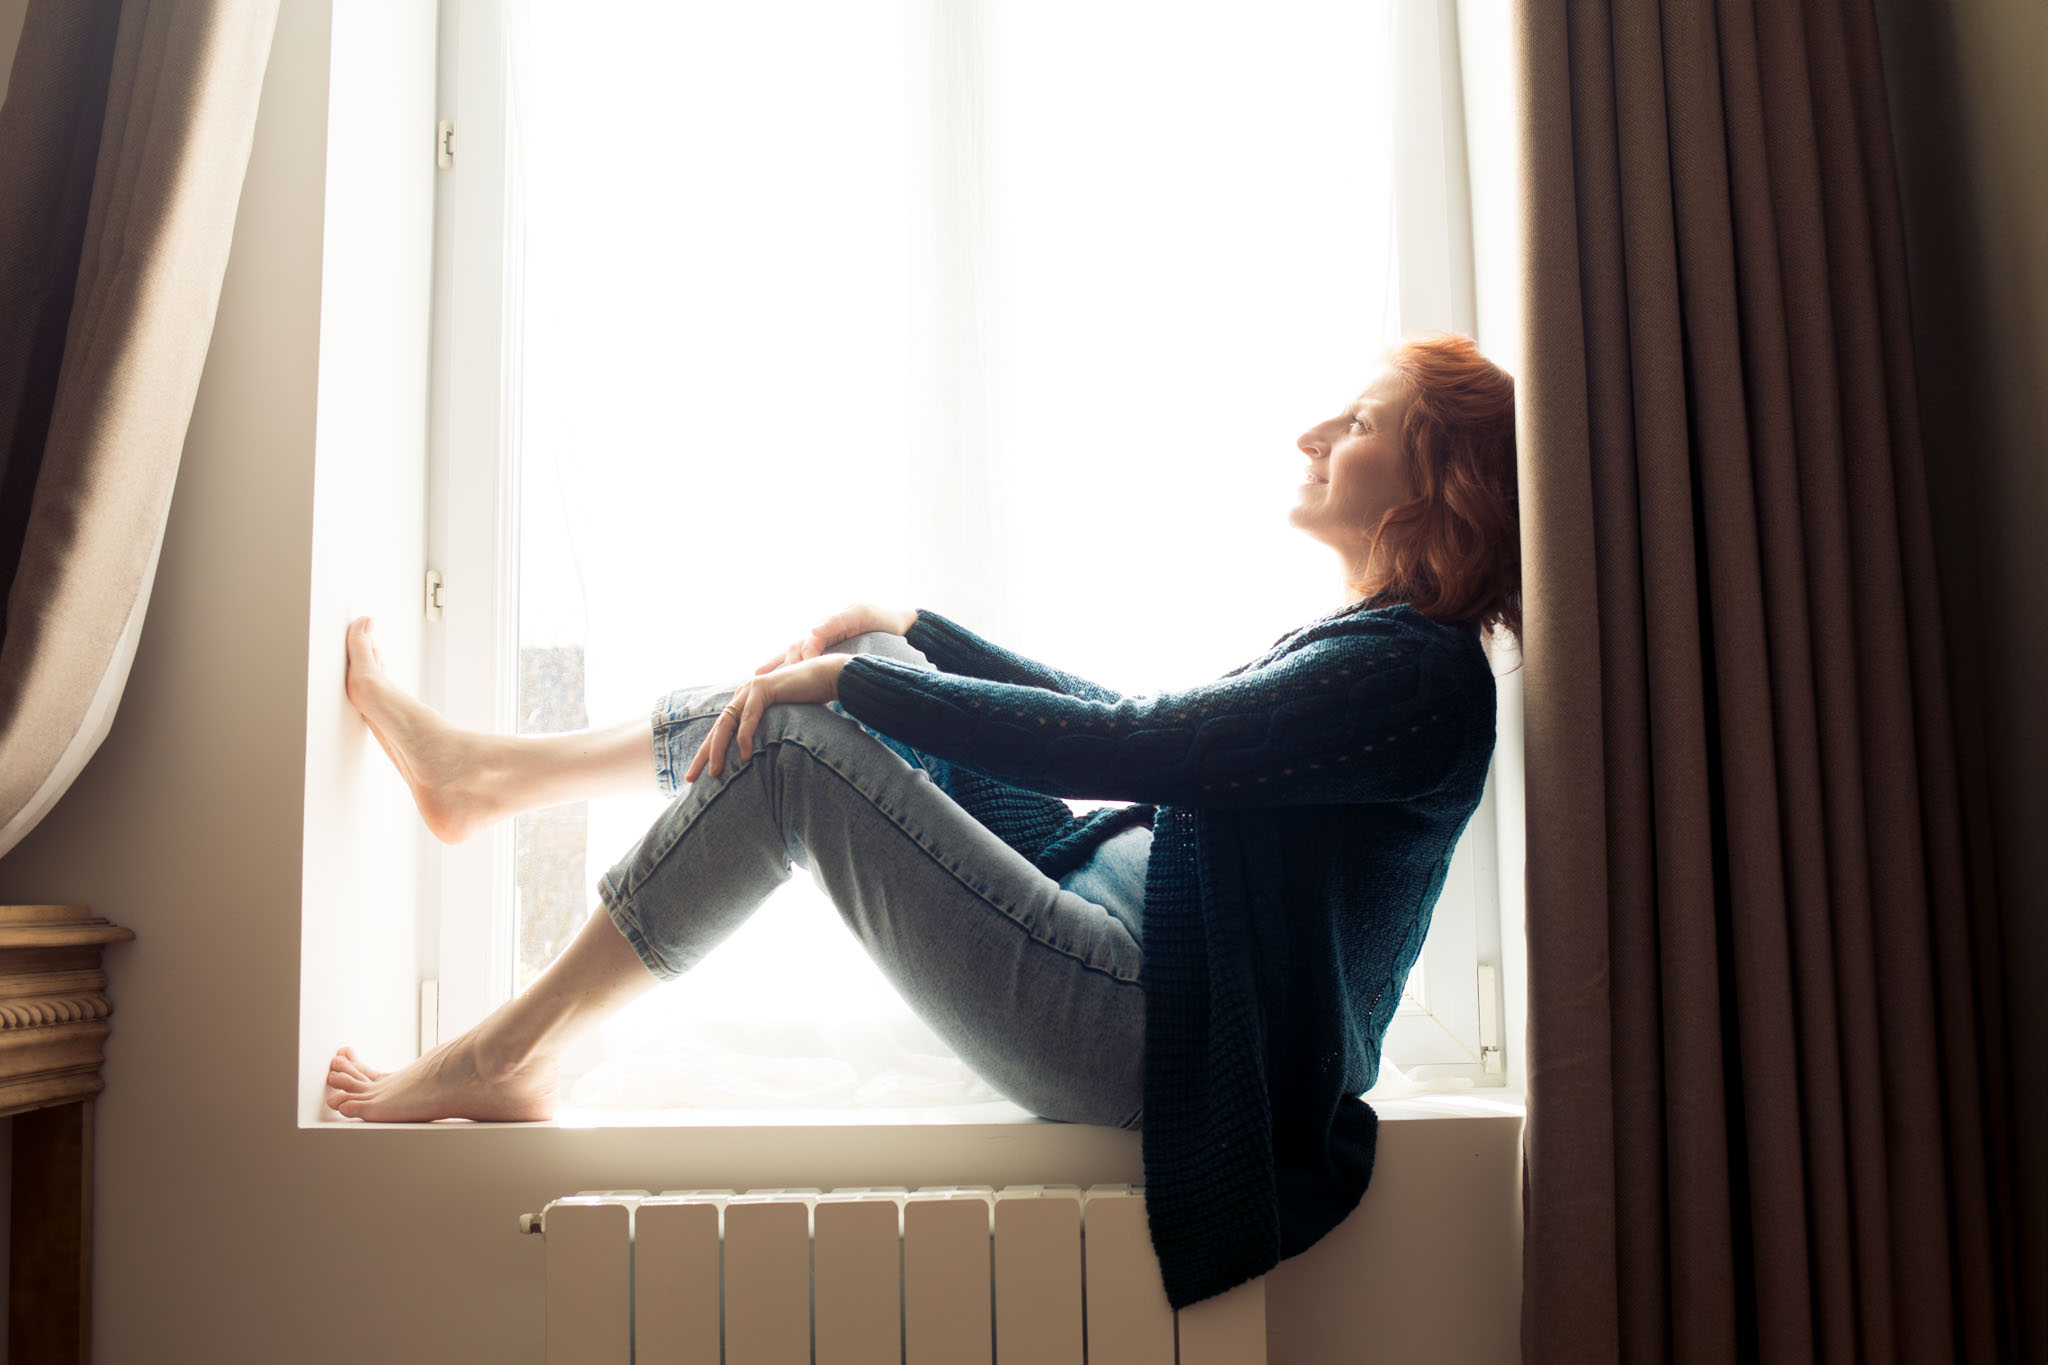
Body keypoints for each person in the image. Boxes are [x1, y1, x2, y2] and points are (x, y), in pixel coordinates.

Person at [326, 331, 1520, 1307]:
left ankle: (507, 1051)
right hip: (1116, 938)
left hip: (1147, 1020)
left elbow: (1141, 742)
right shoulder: (1376, 649)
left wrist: (863, 685)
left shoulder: (1411, 675)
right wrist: (912, 636)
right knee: (867, 651)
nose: (1312, 437)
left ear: (1437, 483)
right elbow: (1136, 725)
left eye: (1356, 424)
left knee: (804, 741)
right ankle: (488, 778)